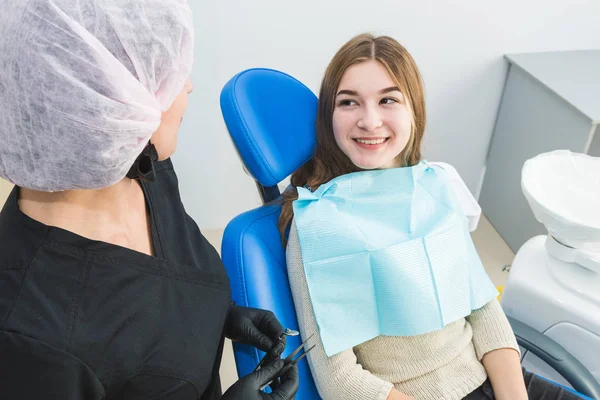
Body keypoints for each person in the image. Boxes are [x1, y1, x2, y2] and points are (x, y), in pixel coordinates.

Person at [0, 0, 298, 399]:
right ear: (104, 97)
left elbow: (151, 301)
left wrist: (214, 315)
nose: (188, 85)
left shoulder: (141, 168)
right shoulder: (33, 338)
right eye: (165, 75)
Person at [278, 33, 582, 400]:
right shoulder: (317, 224)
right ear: (330, 116)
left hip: (492, 378)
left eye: (388, 99)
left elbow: (483, 309)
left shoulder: (432, 186)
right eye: (349, 103)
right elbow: (340, 381)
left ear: (414, 110)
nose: (370, 121)